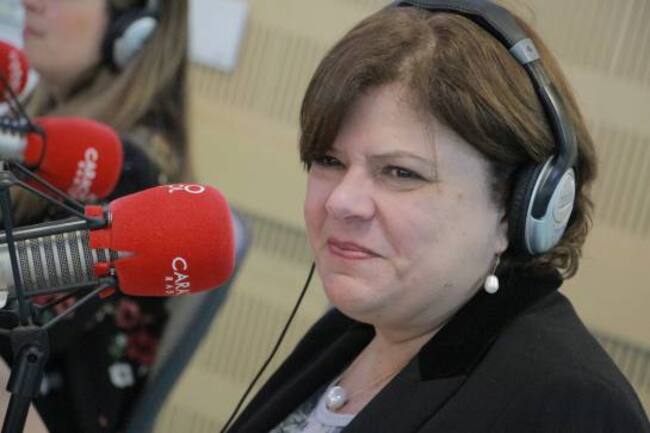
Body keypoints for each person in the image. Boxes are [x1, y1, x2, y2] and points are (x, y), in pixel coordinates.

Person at [227, 1, 650, 432]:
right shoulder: (352, 330)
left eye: (400, 172)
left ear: (517, 208)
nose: (341, 202)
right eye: (329, 160)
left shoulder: (569, 407)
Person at [0, 0, 188, 432]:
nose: (30, 3)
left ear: (133, 25)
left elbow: (14, 328)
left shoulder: (123, 172)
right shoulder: (41, 136)